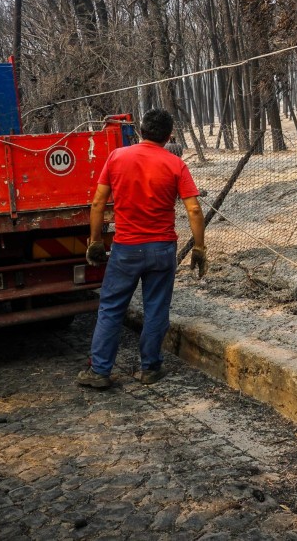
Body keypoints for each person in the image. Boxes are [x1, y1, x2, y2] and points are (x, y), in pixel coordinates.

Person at [77, 108, 207, 389]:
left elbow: (98, 203)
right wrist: (199, 248)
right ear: (169, 135)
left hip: (126, 248)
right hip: (162, 249)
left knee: (111, 308)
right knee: (156, 308)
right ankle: (150, 368)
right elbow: (194, 209)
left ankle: (99, 371)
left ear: (141, 131)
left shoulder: (117, 157)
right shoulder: (175, 164)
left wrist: (96, 240)